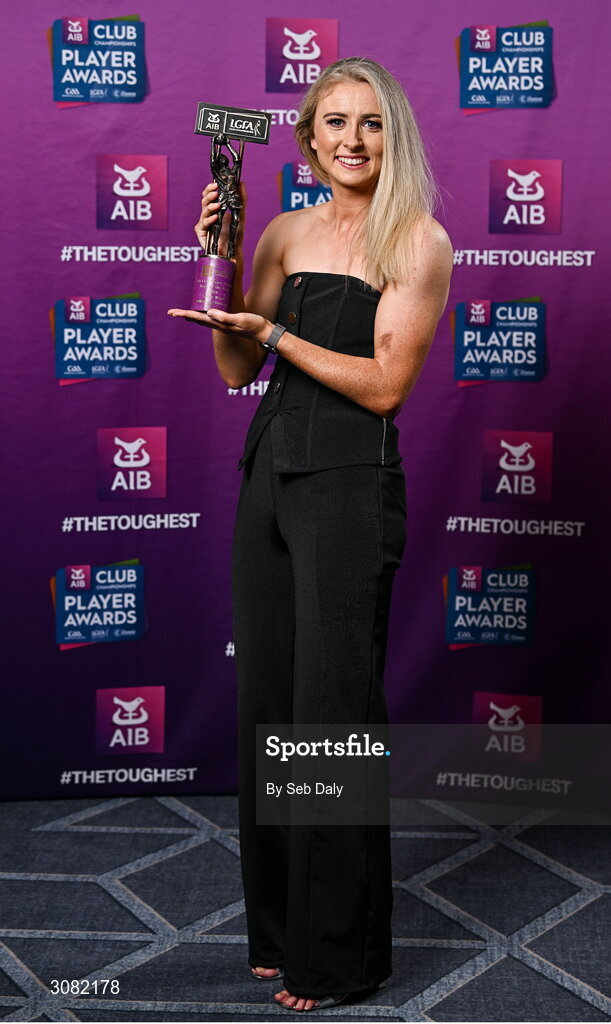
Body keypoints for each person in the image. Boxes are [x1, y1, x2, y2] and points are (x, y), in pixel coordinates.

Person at [168, 57, 452, 1012]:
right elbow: (232, 365)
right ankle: (281, 930)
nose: (351, 139)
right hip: (269, 476)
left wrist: (276, 335)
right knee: (270, 713)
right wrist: (221, 252)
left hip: (347, 486)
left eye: (371, 122)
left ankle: (338, 956)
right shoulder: (284, 231)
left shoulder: (417, 240)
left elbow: (385, 386)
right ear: (305, 137)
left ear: (392, 135)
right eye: (334, 121)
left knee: (330, 721)